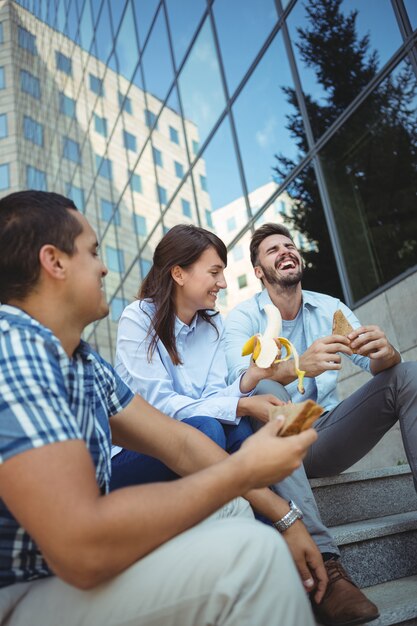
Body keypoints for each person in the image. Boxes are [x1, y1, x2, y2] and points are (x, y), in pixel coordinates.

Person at [0, 191, 319, 626]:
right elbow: (82, 550)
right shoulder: (13, 348)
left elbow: (181, 444)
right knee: (254, 556)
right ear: (54, 262)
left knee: (236, 508)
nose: (104, 266)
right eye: (92, 252)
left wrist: (286, 516)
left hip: (61, 572)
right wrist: (243, 468)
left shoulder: (82, 360)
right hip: (22, 591)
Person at [112, 223, 327, 597]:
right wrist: (242, 403)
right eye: (214, 272)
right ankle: (274, 531)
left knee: (238, 430)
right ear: (178, 273)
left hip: (194, 445)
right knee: (208, 430)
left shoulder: (211, 325)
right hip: (135, 459)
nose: (223, 283)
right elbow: (160, 410)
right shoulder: (137, 318)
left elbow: (217, 394)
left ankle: (274, 552)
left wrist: (251, 381)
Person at [225, 222, 417, 626]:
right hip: (275, 436)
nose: (285, 251)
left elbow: (377, 366)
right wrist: (295, 366)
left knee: (409, 374)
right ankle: (325, 568)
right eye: (273, 250)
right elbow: (234, 388)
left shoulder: (330, 308)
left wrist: (386, 353)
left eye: (289, 245)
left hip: (326, 433)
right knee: (270, 411)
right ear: (258, 270)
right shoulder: (242, 318)